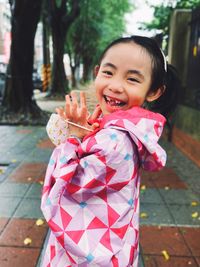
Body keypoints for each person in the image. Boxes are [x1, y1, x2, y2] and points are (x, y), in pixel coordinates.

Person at [41, 35, 180, 267]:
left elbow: (66, 184)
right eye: (108, 72)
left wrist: (76, 138)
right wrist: (79, 132)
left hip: (90, 255)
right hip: (114, 242)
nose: (115, 85)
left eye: (132, 79)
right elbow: (61, 136)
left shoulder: (115, 141)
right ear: (97, 72)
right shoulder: (129, 127)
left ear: (154, 91)